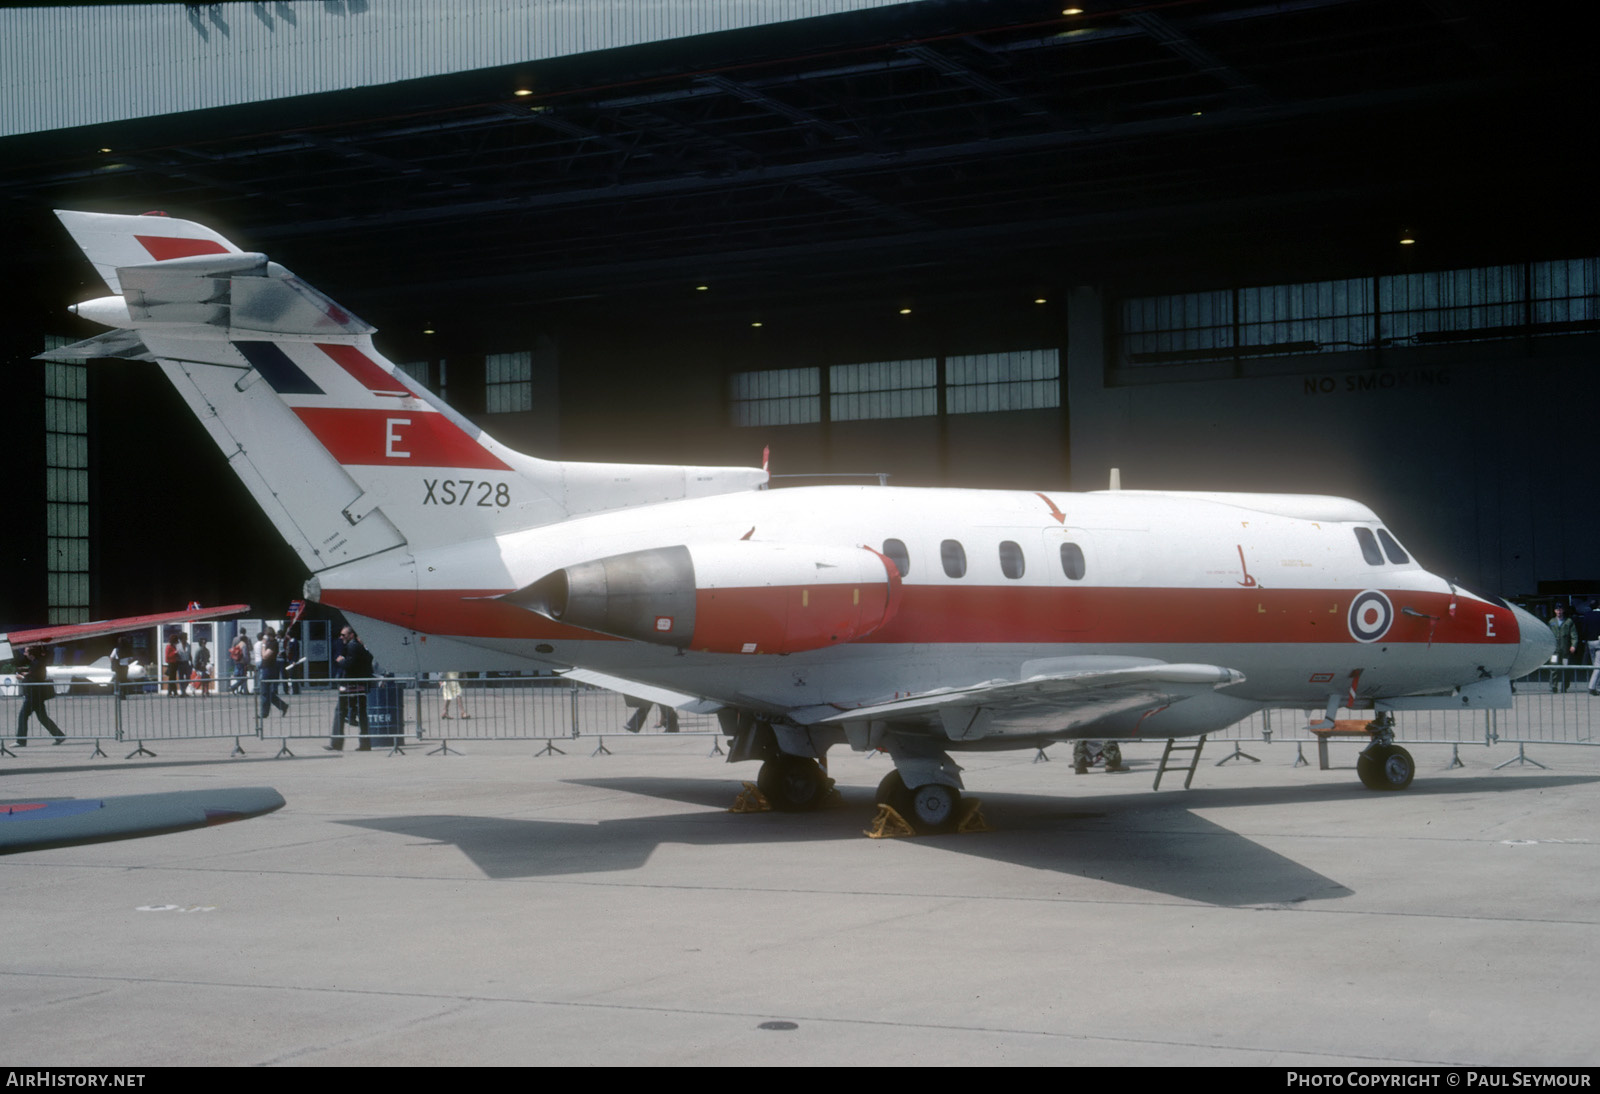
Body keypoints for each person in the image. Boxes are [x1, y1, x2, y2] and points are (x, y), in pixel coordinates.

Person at [326, 626, 373, 750]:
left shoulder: (353, 646)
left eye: (344, 635)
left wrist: (341, 661)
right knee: (361, 714)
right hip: (358, 685)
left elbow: (349, 664)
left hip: (350, 686)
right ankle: (365, 743)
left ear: (351, 635)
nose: (341, 637)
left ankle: (336, 743)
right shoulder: (359, 647)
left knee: (340, 712)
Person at [14, 645, 66, 745]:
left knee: (23, 716)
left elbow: (34, 679)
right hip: (36, 695)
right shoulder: (38, 662)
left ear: (31, 654)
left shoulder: (37, 664)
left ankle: (21, 741)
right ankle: (59, 735)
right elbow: (34, 675)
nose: (25, 654)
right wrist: (26, 673)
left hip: (33, 695)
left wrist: (22, 677)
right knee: (42, 717)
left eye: (26, 652)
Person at [256, 626, 288, 719]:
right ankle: (283, 706)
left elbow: (265, 656)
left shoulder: (273, 643)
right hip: (265, 668)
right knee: (267, 692)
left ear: (269, 635)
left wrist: (263, 645)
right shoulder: (270, 643)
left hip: (269, 669)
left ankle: (264, 713)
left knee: (265, 692)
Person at [1548, 604, 1579, 693]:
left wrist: (1573, 645)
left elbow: (1574, 635)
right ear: (1555, 611)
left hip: (1565, 650)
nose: (1559, 612)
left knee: (1565, 668)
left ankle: (1564, 686)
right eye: (1557, 610)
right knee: (1553, 668)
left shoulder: (1569, 622)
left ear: (1563, 611)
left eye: (1560, 610)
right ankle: (1553, 686)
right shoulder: (1551, 622)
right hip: (1554, 650)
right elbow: (1548, 634)